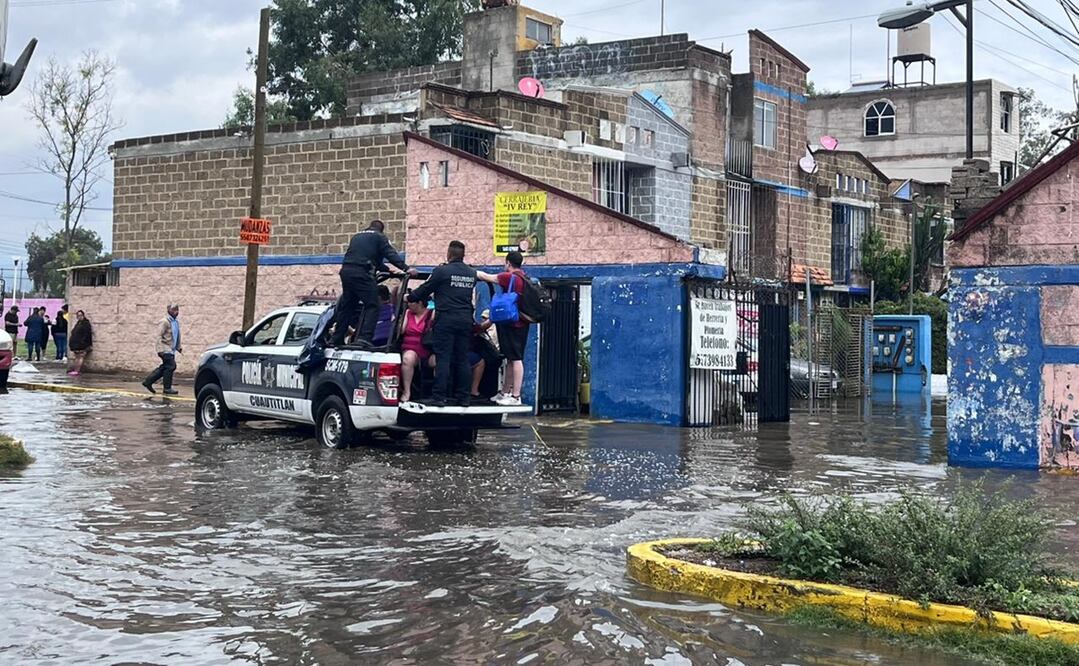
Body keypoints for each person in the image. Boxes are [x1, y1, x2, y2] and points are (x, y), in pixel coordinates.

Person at [407, 241, 477, 407]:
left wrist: (410, 297)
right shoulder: (471, 273)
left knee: (443, 358)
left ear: (449, 254)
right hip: (465, 319)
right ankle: (464, 398)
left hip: (446, 319)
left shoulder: (442, 271)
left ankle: (439, 397)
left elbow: (425, 289)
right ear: (463, 255)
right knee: (462, 359)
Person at [332, 219, 413, 347]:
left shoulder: (357, 236)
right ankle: (364, 338)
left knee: (347, 306)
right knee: (373, 304)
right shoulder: (379, 237)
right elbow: (390, 253)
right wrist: (406, 268)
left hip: (346, 272)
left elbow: (371, 259)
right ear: (381, 229)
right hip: (362, 273)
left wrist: (387, 269)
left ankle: (336, 339)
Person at [479, 250, 530, 406]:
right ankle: (505, 392)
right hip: (519, 323)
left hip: (514, 324)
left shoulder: (509, 277)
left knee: (516, 358)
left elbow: (487, 277)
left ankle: (516, 396)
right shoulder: (524, 277)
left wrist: (472, 272)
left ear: (508, 262)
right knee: (510, 358)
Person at [398, 298, 435, 404]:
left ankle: (437, 394)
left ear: (419, 303)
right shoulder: (408, 313)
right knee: (408, 358)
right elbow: (401, 331)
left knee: (441, 360)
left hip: (427, 350)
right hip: (410, 348)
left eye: (411, 302)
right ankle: (407, 391)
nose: (409, 304)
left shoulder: (431, 313)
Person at [142, 304, 182, 395]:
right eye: (174, 310)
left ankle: (148, 381)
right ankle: (167, 388)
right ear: (169, 310)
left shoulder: (175, 322)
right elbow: (158, 336)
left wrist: (178, 346)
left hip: (171, 349)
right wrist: (160, 350)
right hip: (164, 348)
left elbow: (177, 335)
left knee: (166, 367)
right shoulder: (164, 322)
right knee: (171, 366)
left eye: (177, 310)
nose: (177, 312)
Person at [68, 310, 93, 376]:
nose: (79, 317)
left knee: (80, 357)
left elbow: (87, 334)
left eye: (81, 315)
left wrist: (85, 343)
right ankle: (75, 370)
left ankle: (77, 370)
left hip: (82, 344)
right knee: (77, 357)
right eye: (78, 316)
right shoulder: (78, 323)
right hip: (76, 344)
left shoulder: (85, 323)